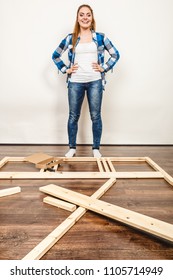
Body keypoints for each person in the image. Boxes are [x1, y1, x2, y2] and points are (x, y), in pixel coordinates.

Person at [52, 4, 120, 158]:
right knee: (73, 116)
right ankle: (72, 148)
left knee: (95, 116)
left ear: (92, 17)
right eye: (81, 15)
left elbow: (115, 54)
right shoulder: (71, 38)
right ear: (77, 18)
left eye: (88, 15)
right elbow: (55, 55)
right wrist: (66, 69)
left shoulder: (100, 37)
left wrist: (104, 68)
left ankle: (96, 148)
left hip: (95, 81)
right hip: (75, 82)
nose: (85, 17)